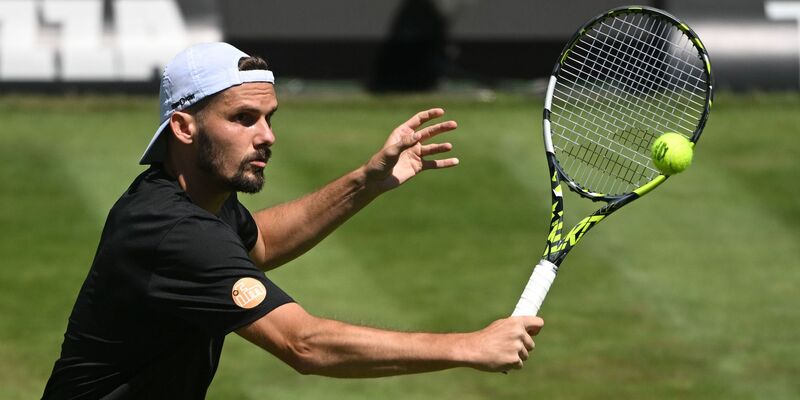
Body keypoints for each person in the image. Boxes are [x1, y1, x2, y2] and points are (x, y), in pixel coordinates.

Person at [42, 42, 544, 399]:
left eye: (269, 117)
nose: (267, 136)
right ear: (183, 127)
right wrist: (467, 346)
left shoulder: (195, 200)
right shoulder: (173, 233)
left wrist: (365, 181)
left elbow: (256, 242)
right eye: (243, 118)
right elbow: (304, 344)